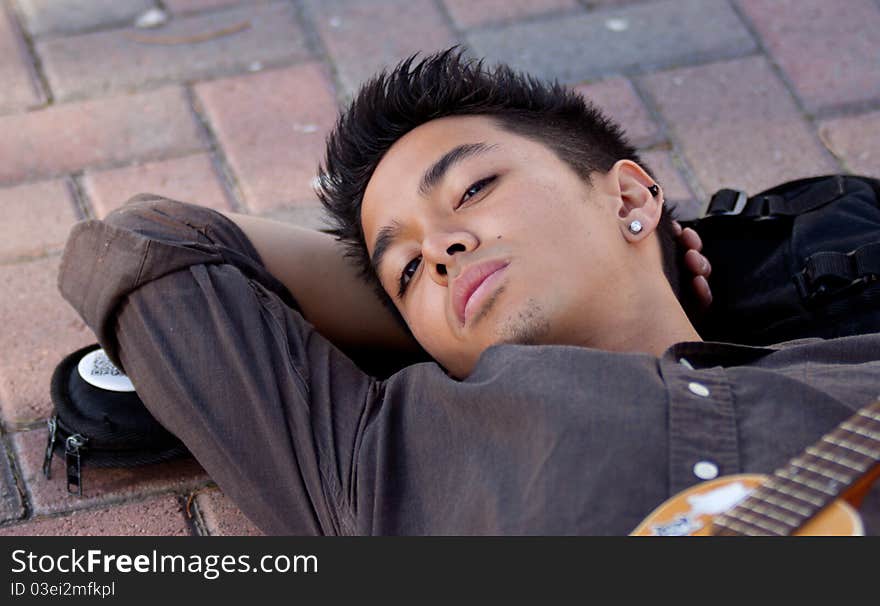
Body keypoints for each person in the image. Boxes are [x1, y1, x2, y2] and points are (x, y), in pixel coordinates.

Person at [57, 49, 880, 535]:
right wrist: (432, 324)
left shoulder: (853, 370)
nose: (441, 249)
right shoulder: (389, 458)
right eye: (409, 270)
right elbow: (153, 244)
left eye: (475, 189)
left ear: (629, 196)